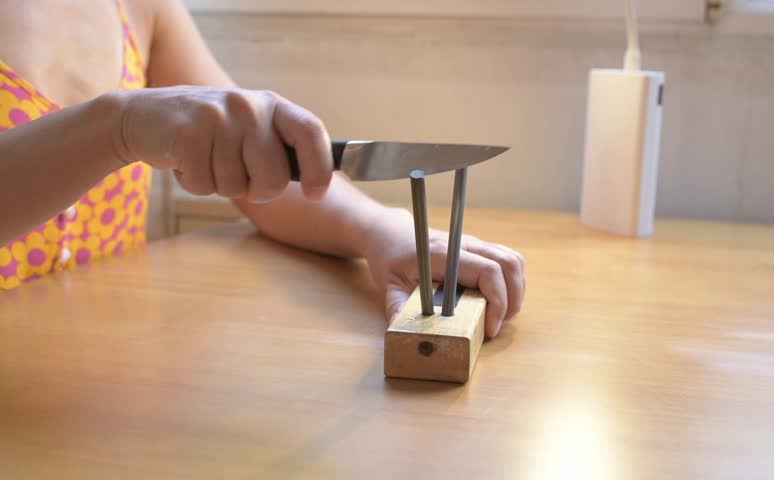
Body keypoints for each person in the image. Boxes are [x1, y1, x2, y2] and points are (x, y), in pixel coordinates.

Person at [0, 0, 524, 337]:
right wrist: (117, 127)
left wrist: (379, 231)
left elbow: (264, 176)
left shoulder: (139, 8)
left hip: (99, 381)